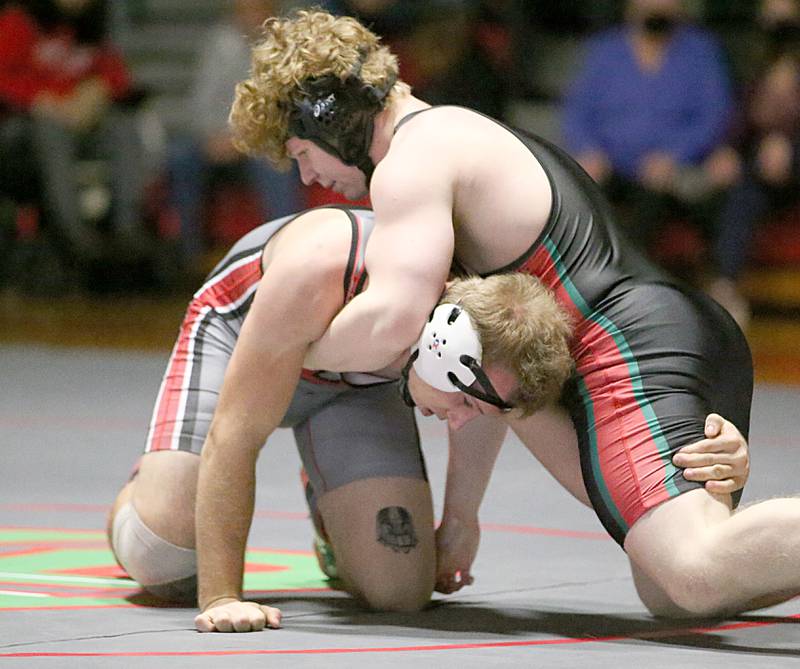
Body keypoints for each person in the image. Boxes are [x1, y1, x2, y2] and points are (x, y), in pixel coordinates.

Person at [229, 7, 800, 622]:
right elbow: (476, 370)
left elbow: (393, 321)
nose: (308, 174)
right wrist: (462, 514)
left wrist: (283, 348)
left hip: (629, 346)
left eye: (299, 153)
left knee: (694, 569)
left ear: (332, 121)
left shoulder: (413, 161)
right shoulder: (447, 139)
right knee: (675, 594)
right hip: (659, 335)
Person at [105, 204, 746, 634]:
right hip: (248, 340)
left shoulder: (476, 335)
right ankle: (143, 491)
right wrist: (222, 597)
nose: (462, 422)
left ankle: (329, 509)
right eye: (463, 402)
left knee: (398, 591)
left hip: (354, 385)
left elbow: (592, 469)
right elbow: (234, 435)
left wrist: (703, 479)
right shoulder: (334, 283)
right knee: (163, 554)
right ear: (438, 349)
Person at [560, 0, 733, 259]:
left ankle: (632, 288)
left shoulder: (701, 51)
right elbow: (576, 111)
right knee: (575, 192)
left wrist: (674, 155)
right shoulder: (603, 50)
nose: (658, 5)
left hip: (672, 173)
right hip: (609, 168)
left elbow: (714, 116)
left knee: (660, 196)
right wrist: (588, 151)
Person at [0, 0, 147, 261]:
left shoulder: (92, 26)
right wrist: (42, 100)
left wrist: (98, 90)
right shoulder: (18, 20)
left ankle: (127, 228)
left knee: (124, 126)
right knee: (50, 132)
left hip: (81, 121)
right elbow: (4, 78)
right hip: (27, 128)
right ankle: (73, 234)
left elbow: (119, 77)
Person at [164, 0, 303, 268]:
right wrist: (212, 135)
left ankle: (288, 252)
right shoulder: (219, 42)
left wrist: (244, 138)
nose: (247, 14)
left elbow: (288, 108)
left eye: (254, 8)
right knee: (179, 156)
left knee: (276, 163)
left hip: (264, 140)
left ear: (270, 10)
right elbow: (200, 101)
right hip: (218, 138)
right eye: (242, 7)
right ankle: (187, 256)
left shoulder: (288, 47)